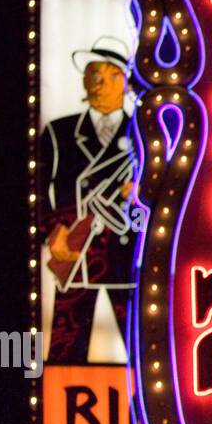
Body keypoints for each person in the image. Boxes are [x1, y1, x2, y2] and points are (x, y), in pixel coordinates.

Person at [39, 35, 139, 363]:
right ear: (84, 79)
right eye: (94, 73)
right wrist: (54, 233)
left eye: (112, 75)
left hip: (128, 259)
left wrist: (138, 196)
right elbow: (39, 192)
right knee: (65, 357)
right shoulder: (59, 133)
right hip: (76, 255)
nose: (100, 82)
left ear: (125, 82)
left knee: (144, 356)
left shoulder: (143, 134)